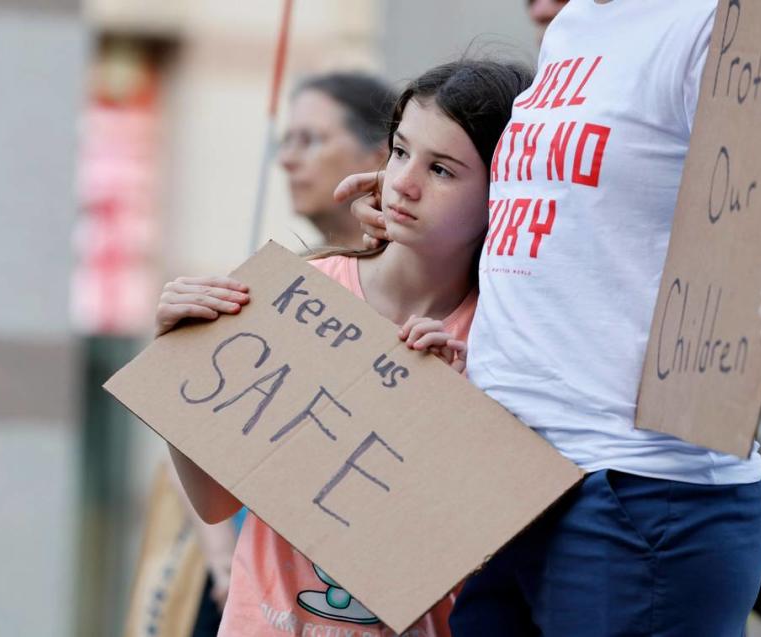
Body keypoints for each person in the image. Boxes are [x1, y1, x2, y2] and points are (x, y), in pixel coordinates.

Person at [337, 1, 761, 634]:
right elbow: (574, 232)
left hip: (636, 489)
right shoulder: (576, 28)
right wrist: (412, 208)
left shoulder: (715, 22)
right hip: (508, 478)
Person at [157, 58, 534, 636]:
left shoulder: (501, 344)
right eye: (401, 152)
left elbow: (486, 560)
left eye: (442, 170)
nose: (404, 183)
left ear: (504, 190)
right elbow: (214, 503)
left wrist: (452, 419)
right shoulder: (299, 290)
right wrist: (179, 362)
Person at [279, 72, 396, 250]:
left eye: (309, 140)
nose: (286, 160)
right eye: (287, 141)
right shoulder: (289, 272)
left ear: (378, 158)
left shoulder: (425, 271)